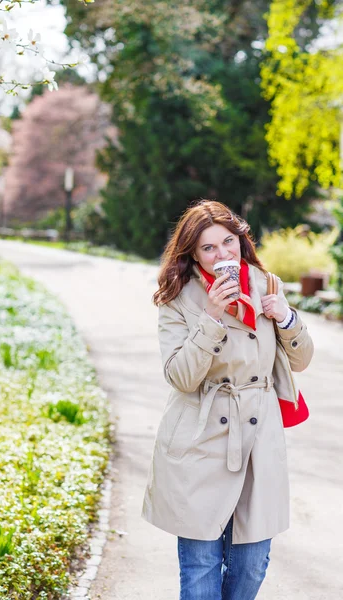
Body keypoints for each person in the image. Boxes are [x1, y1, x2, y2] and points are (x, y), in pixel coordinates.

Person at [141, 200, 314, 600]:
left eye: (228, 242)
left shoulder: (268, 284)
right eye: (209, 248)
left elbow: (301, 361)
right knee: (201, 564)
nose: (223, 255)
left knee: (252, 563)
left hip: (258, 441)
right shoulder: (177, 297)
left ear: (241, 241)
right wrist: (212, 317)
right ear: (193, 254)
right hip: (200, 442)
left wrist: (286, 318)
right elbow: (180, 377)